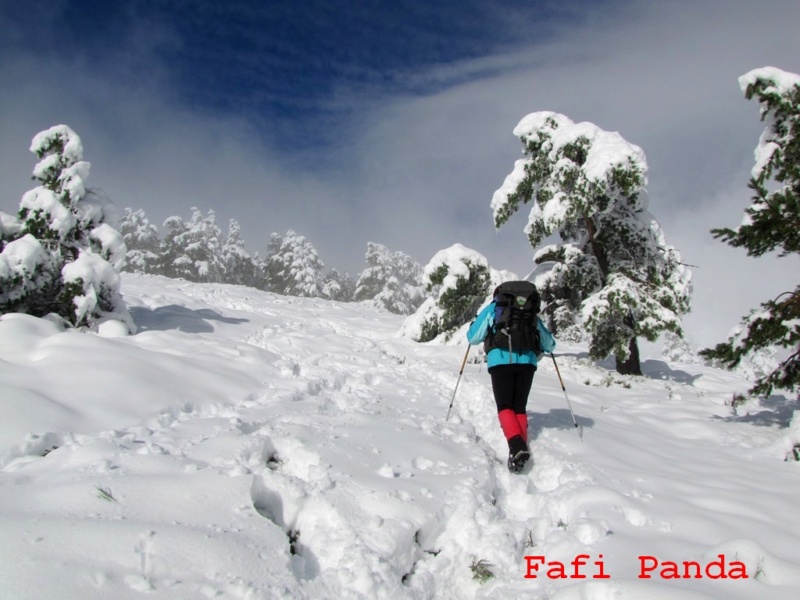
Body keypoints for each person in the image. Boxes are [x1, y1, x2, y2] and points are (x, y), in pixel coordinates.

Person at [466, 282, 556, 473]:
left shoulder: (495, 308)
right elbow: (549, 343)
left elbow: (474, 337)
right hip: (528, 363)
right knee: (519, 407)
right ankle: (518, 452)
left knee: (505, 407)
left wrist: (473, 325)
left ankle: (516, 447)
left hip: (500, 362)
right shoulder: (530, 312)